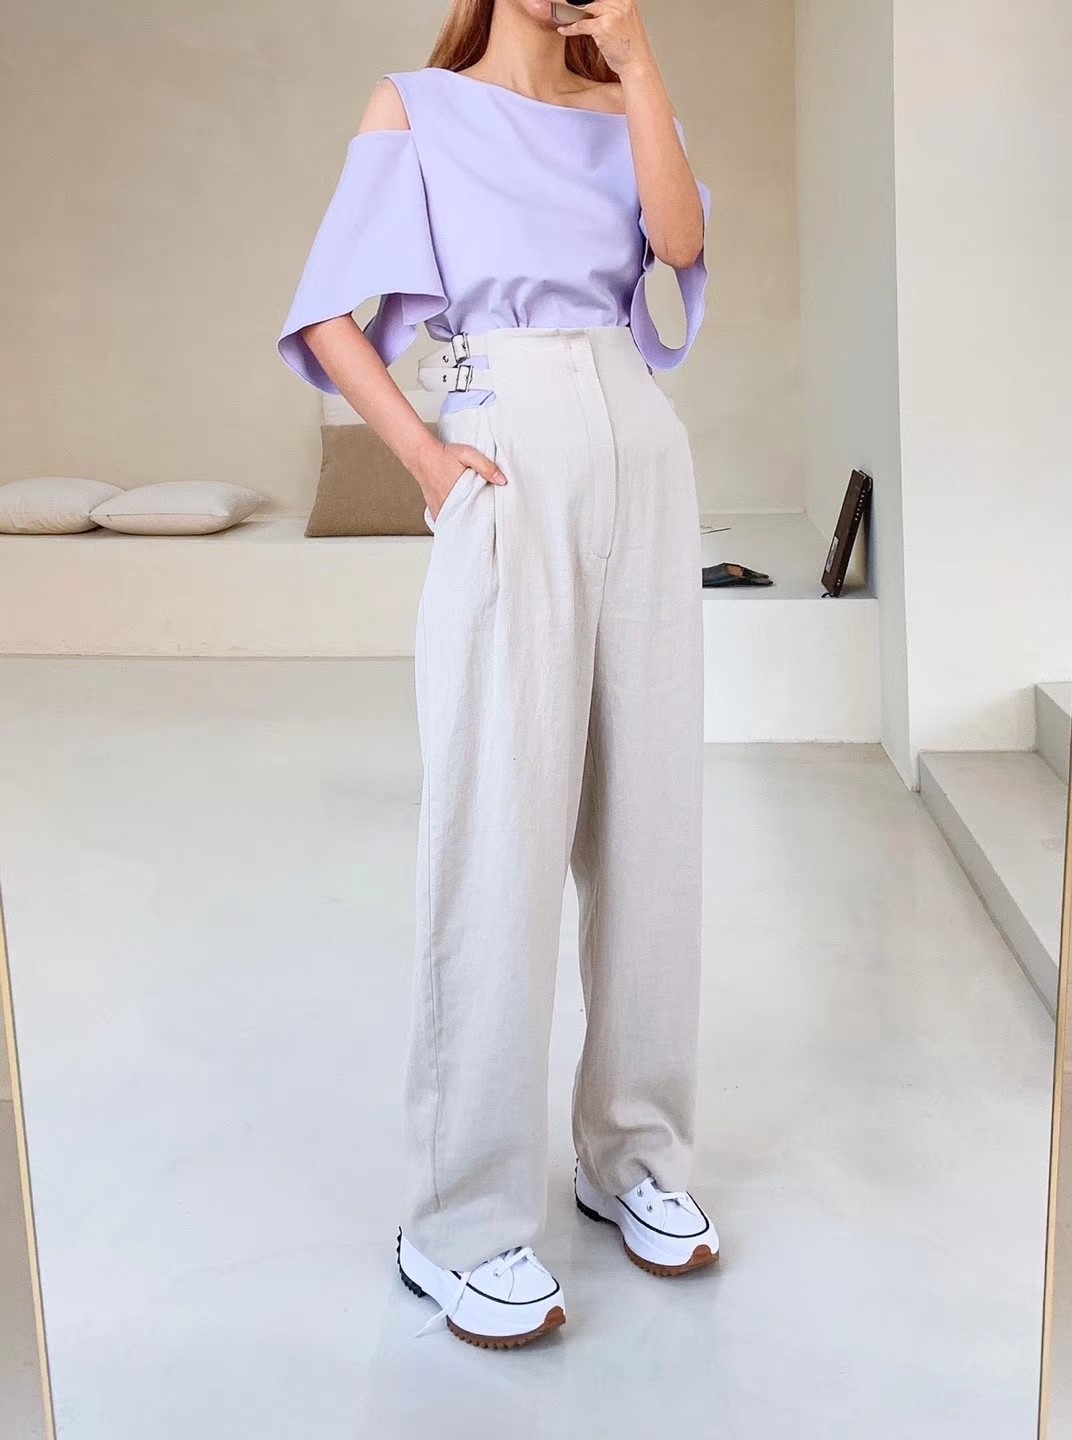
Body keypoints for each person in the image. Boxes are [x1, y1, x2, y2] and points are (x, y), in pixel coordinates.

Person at [277, 0, 718, 1350]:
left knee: (650, 826)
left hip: (642, 447)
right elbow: (326, 314)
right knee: (498, 834)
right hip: (508, 448)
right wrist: (423, 458)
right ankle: (459, 1217)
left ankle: (632, 1152)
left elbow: (679, 247)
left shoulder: (621, 101)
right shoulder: (416, 107)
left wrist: (638, 62)